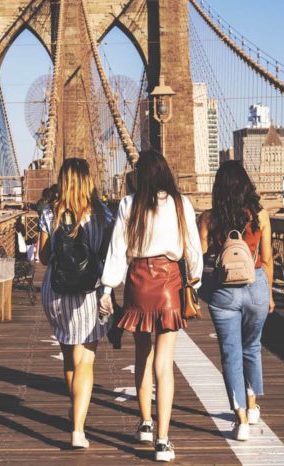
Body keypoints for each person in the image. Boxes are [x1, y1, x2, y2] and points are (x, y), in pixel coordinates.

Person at [99, 151, 202, 462]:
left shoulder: (129, 204)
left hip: (138, 282)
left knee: (142, 353)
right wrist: (194, 284)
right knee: (164, 362)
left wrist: (107, 288)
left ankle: (145, 423)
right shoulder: (182, 204)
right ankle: (162, 440)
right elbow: (192, 248)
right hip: (170, 284)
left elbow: (118, 249)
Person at [197, 160, 274, 442]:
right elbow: (267, 259)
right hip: (256, 287)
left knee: (231, 354)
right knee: (252, 346)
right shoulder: (260, 215)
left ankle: (240, 418)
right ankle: (253, 404)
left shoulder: (209, 217)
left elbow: (200, 258)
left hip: (223, 291)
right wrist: (270, 295)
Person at [38, 158, 113, 449]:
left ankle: (75, 410)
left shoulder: (50, 213)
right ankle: (78, 429)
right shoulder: (102, 214)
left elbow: (43, 258)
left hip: (55, 294)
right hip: (87, 294)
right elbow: (106, 255)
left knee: (70, 356)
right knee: (87, 360)